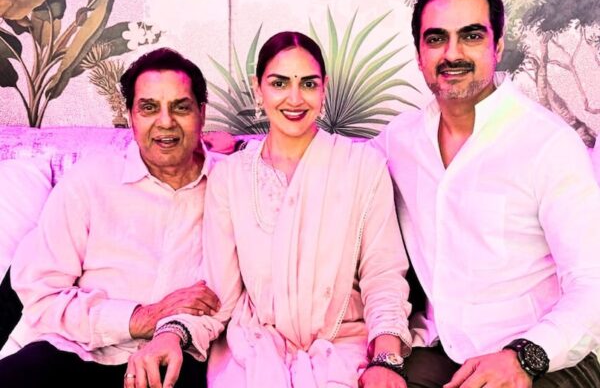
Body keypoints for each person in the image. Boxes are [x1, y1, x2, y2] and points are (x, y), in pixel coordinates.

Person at [128, 31, 413, 388]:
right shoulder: (231, 177)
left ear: (324, 88)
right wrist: (170, 334)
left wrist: (386, 361)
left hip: (343, 354)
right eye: (279, 83)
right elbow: (219, 294)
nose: (294, 98)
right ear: (258, 89)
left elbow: (383, 276)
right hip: (253, 356)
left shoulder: (363, 167)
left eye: (308, 84)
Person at [372, 0, 600, 387]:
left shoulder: (548, 144)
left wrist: (524, 357)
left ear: (498, 45)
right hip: (441, 349)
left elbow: (592, 282)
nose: (453, 53)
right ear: (419, 53)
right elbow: (331, 166)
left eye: (472, 35)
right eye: (436, 38)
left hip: (544, 357)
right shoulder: (399, 141)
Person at [0, 48, 220, 388]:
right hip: (76, 352)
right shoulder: (92, 180)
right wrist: (139, 318)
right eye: (149, 108)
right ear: (130, 116)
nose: (165, 122)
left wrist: (169, 328)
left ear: (201, 114)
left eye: (181, 107)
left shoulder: (228, 185)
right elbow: (41, 298)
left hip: (175, 360)